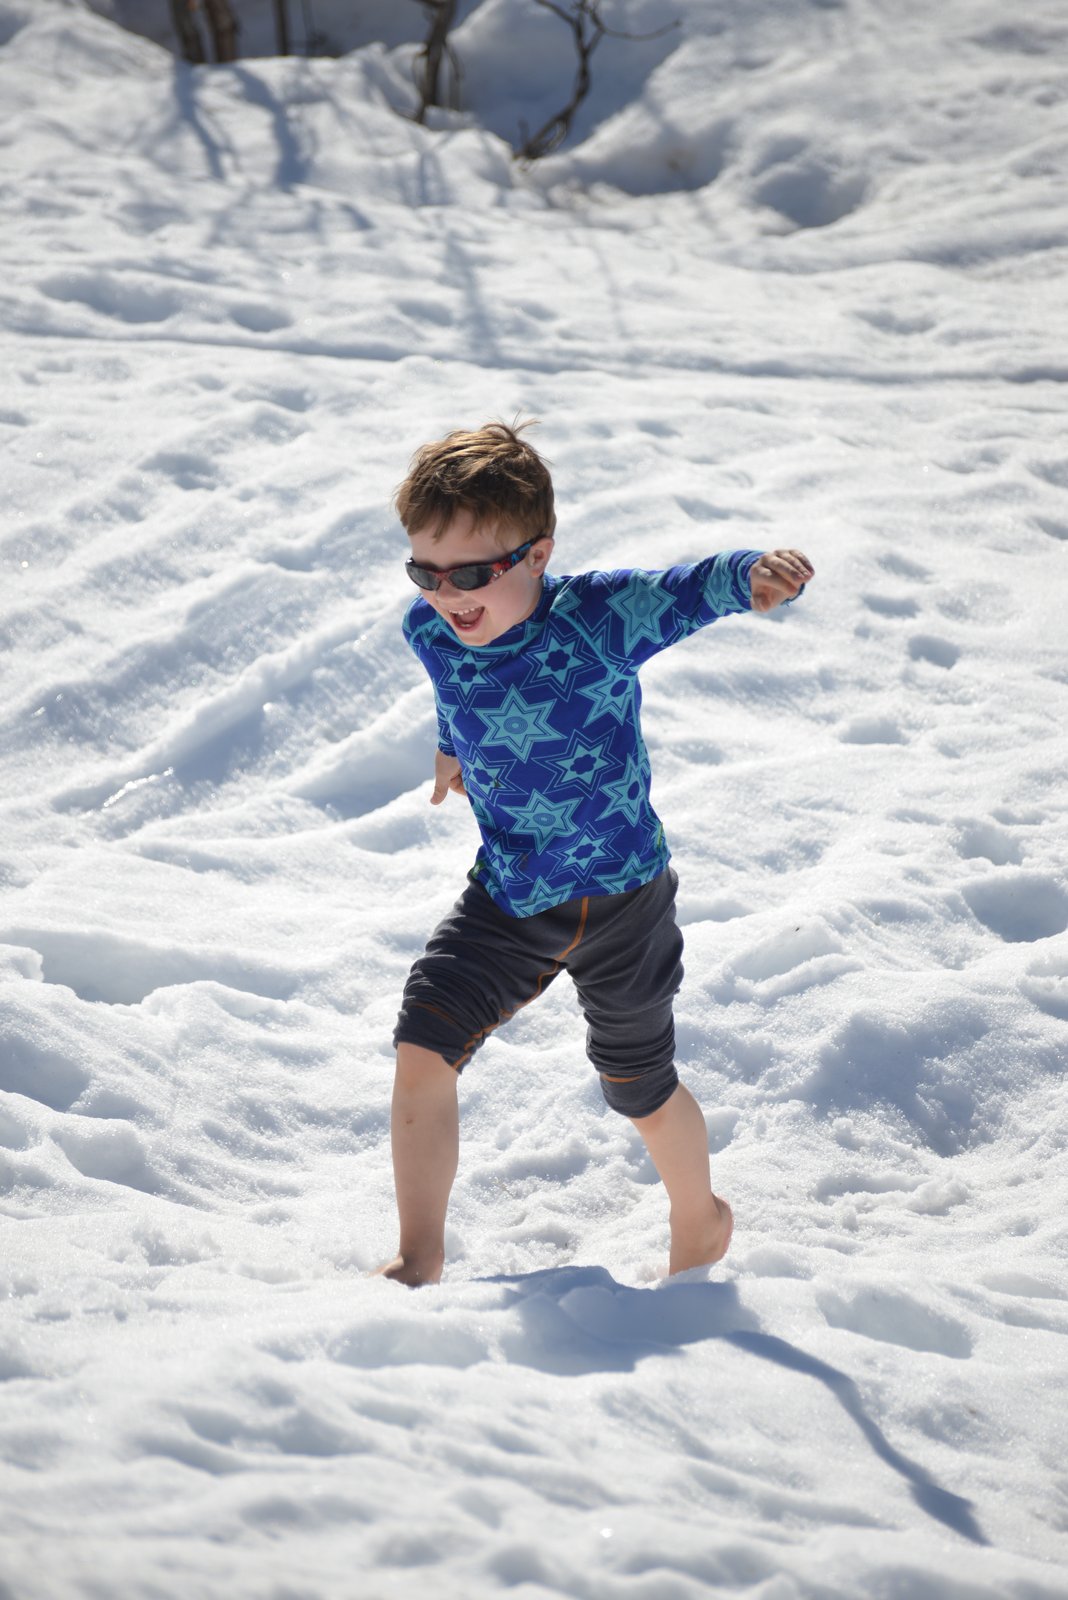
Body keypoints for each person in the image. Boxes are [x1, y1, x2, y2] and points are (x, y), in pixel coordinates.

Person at [378, 421, 813, 1286]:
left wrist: (749, 574)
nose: (446, 595)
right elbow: (459, 691)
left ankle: (700, 1219)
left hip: (625, 903)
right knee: (423, 1043)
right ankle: (418, 1257)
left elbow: (683, 590)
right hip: (512, 894)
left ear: (537, 555)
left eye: (470, 574)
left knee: (637, 1086)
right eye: (426, 573)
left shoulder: (595, 620)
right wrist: (452, 747)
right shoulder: (431, 633)